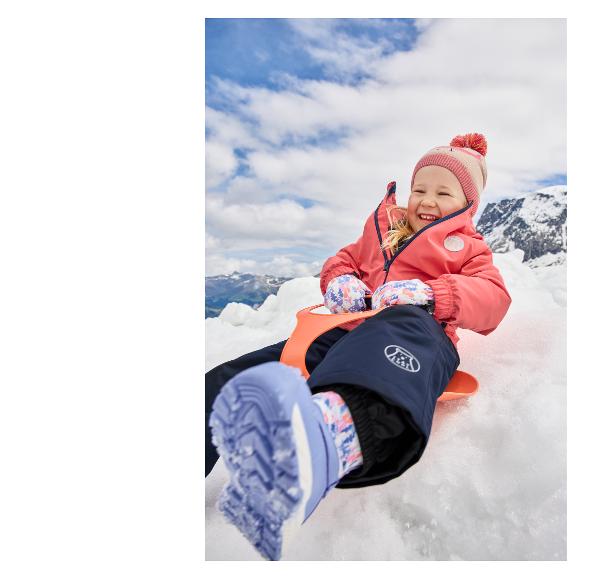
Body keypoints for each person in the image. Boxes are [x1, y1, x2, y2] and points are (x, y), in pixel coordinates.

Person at [206, 132, 512, 560]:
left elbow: (493, 298)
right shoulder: (384, 228)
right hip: (347, 329)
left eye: (444, 192)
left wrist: (431, 296)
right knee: (238, 375)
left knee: (391, 337)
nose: (427, 199)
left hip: (417, 333)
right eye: (420, 188)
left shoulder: (469, 249)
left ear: (466, 204)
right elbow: (344, 259)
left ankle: (334, 430)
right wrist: (342, 280)